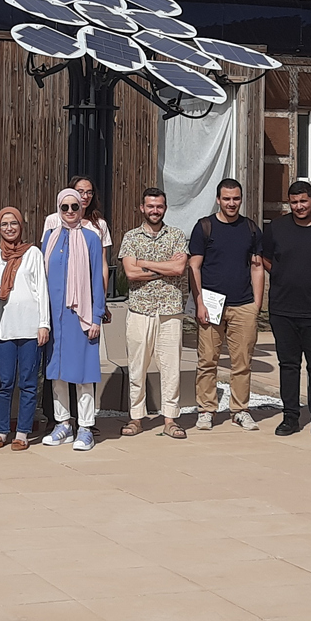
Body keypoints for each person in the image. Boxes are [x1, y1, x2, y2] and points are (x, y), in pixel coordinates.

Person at [261, 181, 311, 439]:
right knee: (289, 365)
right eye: (294, 202)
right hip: (283, 309)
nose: (299, 206)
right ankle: (290, 417)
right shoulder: (277, 228)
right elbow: (267, 258)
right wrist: (284, 276)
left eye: (303, 201)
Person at [188, 178, 265, 432]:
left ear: (241, 199)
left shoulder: (251, 229)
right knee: (207, 360)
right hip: (211, 304)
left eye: (236, 198)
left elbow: (257, 267)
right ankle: (206, 410)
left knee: (242, 361)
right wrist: (199, 302)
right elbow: (194, 266)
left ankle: (240, 410)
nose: (231, 203)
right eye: (226, 199)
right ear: (218, 199)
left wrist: (257, 305)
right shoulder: (205, 227)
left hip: (243, 304)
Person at [118, 188, 189, 440]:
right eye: (150, 206)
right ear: (142, 208)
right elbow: (130, 273)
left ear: (165, 208)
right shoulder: (131, 237)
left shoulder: (177, 236)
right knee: (137, 367)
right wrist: (164, 269)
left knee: (171, 368)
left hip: (170, 311)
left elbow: (180, 267)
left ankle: (170, 419)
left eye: (159, 206)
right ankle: (136, 418)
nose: (155, 211)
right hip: (140, 310)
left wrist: (145, 263)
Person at [42, 188, 107, 451]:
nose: (70, 212)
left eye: (75, 207)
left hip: (81, 315)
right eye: (65, 207)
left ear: (82, 209)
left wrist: (96, 317)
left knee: (82, 373)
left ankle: (86, 427)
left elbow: (97, 280)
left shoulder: (92, 238)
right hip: (54, 316)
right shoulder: (49, 237)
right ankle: (62, 424)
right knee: (56, 372)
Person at [0, 207, 48, 449]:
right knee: (5, 381)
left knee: (29, 382)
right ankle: (1, 431)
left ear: (21, 225)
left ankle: (22, 432)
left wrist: (44, 324)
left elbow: (42, 290)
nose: (9, 228)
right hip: (5, 329)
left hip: (31, 328)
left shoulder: (32, 253)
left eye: (13, 223)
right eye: (4, 225)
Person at [43, 176, 113, 296]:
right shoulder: (53, 220)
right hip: (59, 285)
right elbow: (47, 257)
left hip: (87, 284)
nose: (85, 196)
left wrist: (103, 295)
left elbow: (102, 263)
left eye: (89, 192)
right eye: (80, 192)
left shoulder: (99, 224)